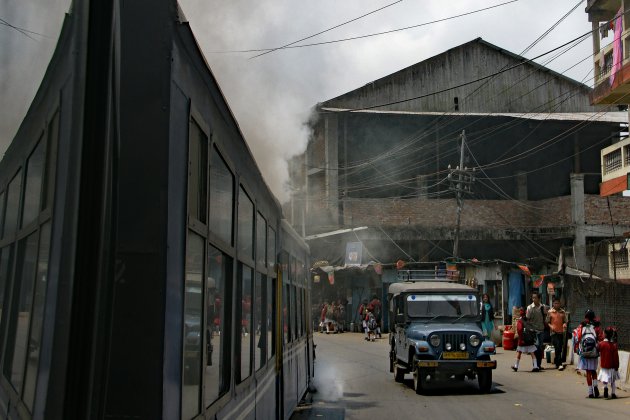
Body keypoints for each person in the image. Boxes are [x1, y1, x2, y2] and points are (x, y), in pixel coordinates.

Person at [576, 309, 604, 398]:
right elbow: (601, 338)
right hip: (594, 351)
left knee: (588, 371)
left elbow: (578, 337)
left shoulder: (582, 325)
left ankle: (590, 392)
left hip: (585, 351)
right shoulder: (597, 326)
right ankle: (596, 386)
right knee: (593, 371)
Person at [511, 307, 539, 372]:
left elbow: (520, 330)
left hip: (522, 340)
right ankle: (535, 366)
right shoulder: (528, 320)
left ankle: (516, 366)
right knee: (532, 353)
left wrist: (521, 338)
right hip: (529, 339)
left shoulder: (520, 321)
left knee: (519, 353)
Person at [525, 291, 547, 369]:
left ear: (539, 299)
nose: (534, 299)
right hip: (533, 331)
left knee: (540, 348)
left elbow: (545, 317)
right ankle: (535, 365)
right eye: (533, 297)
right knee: (535, 348)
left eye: (535, 298)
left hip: (541, 330)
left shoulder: (542, 307)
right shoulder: (529, 308)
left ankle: (538, 364)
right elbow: (527, 319)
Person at [545, 298, 567, 370]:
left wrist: (564, 324)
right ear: (553, 304)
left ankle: (557, 362)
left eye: (558, 303)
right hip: (553, 332)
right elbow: (547, 322)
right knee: (557, 346)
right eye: (555, 303)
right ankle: (559, 363)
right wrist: (551, 326)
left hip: (561, 332)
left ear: (560, 304)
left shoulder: (562, 312)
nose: (556, 304)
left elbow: (565, 321)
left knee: (559, 347)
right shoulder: (550, 312)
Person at [598, 327, 620, 400]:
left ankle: (605, 388)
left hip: (604, 365)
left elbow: (597, 348)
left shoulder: (601, 344)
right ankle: (613, 393)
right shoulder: (614, 345)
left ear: (605, 334)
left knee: (605, 379)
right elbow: (616, 357)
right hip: (612, 366)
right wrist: (617, 366)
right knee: (613, 381)